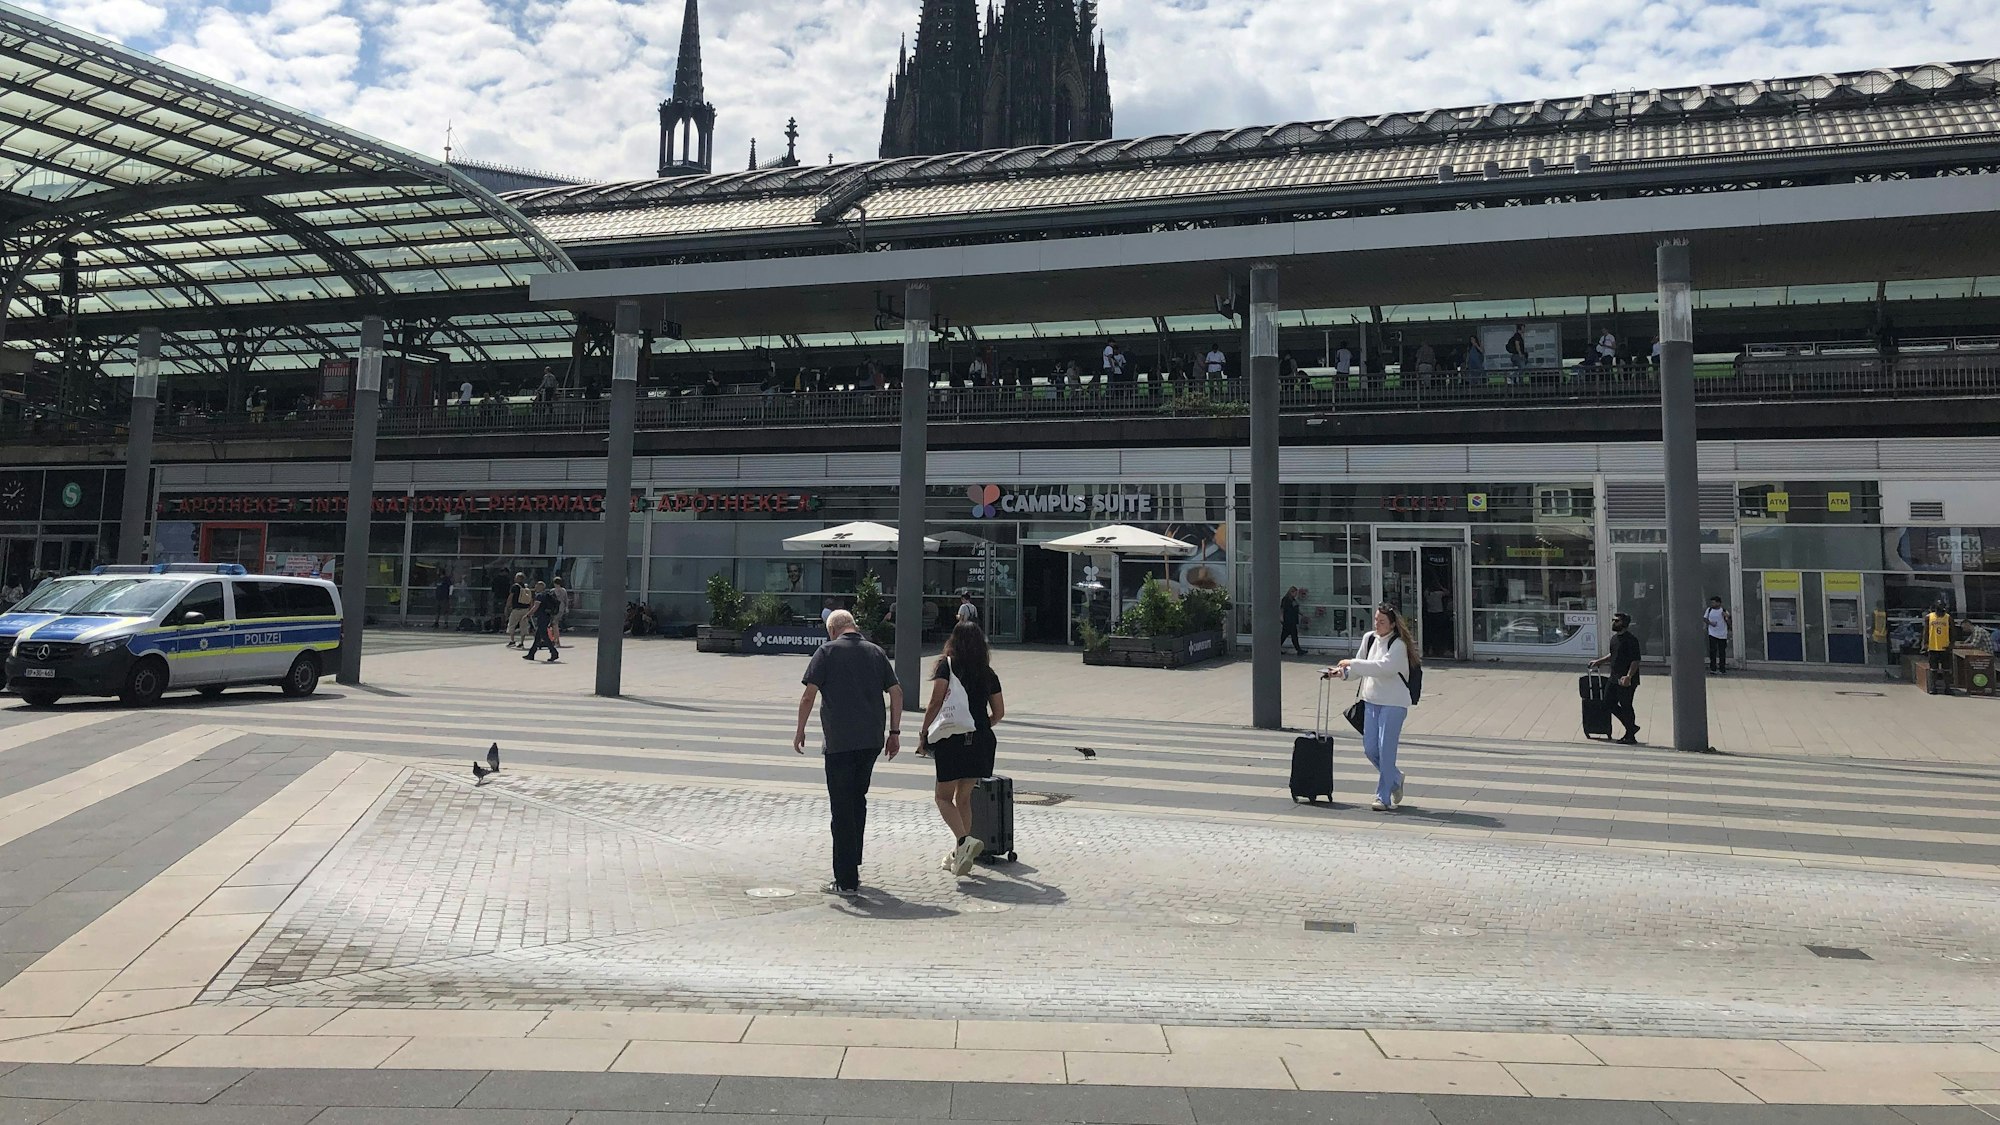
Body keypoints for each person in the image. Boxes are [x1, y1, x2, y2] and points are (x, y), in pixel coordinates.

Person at [794, 610, 903, 897]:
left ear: (833, 630)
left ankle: (845, 881)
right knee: (858, 802)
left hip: (840, 742)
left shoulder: (826, 652)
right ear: (853, 626)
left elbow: (809, 695)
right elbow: (897, 692)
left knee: (841, 809)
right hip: (871, 742)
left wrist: (800, 729)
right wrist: (895, 733)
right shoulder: (876, 652)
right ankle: (853, 862)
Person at [919, 621, 1005, 876]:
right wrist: (978, 725)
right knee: (963, 798)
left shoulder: (947, 665)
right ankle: (960, 855)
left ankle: (963, 843)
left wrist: (924, 732)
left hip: (952, 741)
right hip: (981, 741)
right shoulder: (988, 673)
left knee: (942, 797)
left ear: (954, 641)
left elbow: (935, 701)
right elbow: (999, 713)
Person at [1325, 604, 1418, 812]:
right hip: (1371, 700)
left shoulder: (1398, 644)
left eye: (1382, 621)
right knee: (1370, 749)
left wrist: (1352, 663)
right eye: (1376, 620)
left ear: (1393, 624)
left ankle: (1382, 797)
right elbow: (1358, 671)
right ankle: (1395, 777)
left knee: (1386, 751)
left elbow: (1384, 668)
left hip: (1394, 703)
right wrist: (1341, 673)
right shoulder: (1369, 638)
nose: (1377, 624)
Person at [1588, 612, 1643, 744]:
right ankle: (1632, 727)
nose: (1613, 622)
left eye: (1616, 621)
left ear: (1624, 623)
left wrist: (1629, 676)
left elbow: (1635, 660)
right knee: (1608, 703)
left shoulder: (1631, 640)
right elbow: (1612, 654)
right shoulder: (1614, 639)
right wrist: (1599, 661)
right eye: (1613, 620)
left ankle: (1630, 735)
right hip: (1614, 677)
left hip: (1626, 680)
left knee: (1626, 705)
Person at [523, 581, 561, 663]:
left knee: (544, 636)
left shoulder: (539, 595)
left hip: (542, 617)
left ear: (541, 586)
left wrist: (528, 614)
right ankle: (531, 654)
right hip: (546, 616)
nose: (535, 587)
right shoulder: (545, 595)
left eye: (536, 585)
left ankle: (554, 652)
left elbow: (535, 607)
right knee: (538, 637)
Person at [1924, 600, 1955, 696]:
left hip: (1945, 647)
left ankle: (1947, 688)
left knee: (1946, 670)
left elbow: (1952, 632)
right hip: (1933, 647)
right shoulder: (1929, 617)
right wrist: (1925, 643)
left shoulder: (1948, 618)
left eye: (1943, 609)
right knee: (1933, 670)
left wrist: (1951, 644)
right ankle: (1933, 688)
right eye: (1939, 609)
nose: (1941, 612)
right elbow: (1926, 631)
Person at [1703, 596, 1732, 675]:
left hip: (1722, 634)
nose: (1712, 604)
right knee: (1713, 651)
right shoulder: (1709, 610)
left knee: (1722, 652)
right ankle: (1713, 668)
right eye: (1712, 602)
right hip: (1712, 633)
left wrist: (1726, 617)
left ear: (1719, 603)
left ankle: (1722, 669)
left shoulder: (1723, 611)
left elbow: (1729, 623)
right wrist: (1710, 623)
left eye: (1714, 602)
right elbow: (1705, 619)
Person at [505, 571, 533, 648]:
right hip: (525, 609)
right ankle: (521, 642)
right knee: (523, 626)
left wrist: (507, 606)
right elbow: (530, 599)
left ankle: (512, 640)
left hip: (516, 609)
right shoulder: (526, 587)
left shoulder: (515, 587)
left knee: (512, 624)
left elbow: (511, 597)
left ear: (518, 578)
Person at [1280, 586, 1304, 656]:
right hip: (1288, 620)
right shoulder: (1286, 599)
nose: (1296, 595)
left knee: (1285, 635)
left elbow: (1295, 608)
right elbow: (1282, 609)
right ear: (1291, 592)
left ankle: (1298, 650)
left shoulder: (1293, 600)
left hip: (1292, 620)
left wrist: (1301, 613)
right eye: (1295, 593)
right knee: (1292, 635)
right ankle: (1299, 650)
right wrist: (1281, 617)